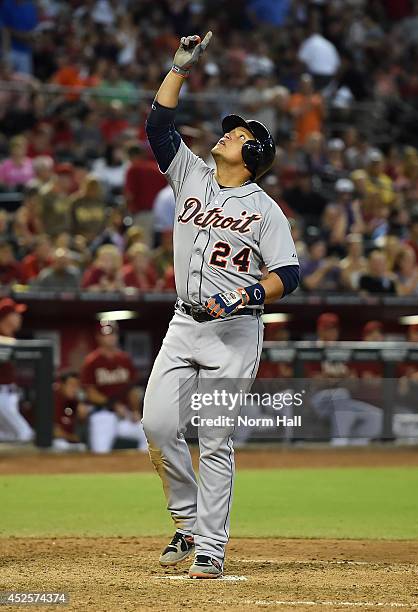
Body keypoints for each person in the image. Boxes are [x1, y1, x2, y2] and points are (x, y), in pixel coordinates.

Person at [142, 33, 299, 579]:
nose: (229, 134)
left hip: (235, 333)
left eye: (239, 135)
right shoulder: (190, 174)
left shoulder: (265, 210)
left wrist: (247, 293)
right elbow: (158, 128)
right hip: (184, 321)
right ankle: (185, 524)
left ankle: (209, 545)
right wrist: (178, 68)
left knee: (213, 437)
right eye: (231, 130)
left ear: (253, 156)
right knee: (158, 425)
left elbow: (288, 275)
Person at [80, 321, 148, 454]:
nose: (110, 338)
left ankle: (139, 469)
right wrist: (113, 405)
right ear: (98, 338)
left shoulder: (124, 359)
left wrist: (135, 411)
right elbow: (90, 392)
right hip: (102, 414)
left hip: (125, 415)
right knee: (101, 452)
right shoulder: (92, 361)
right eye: (106, 335)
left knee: (150, 436)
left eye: (113, 334)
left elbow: (132, 389)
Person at [0, 298, 33, 442]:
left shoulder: (10, 337)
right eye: (16, 314)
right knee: (24, 434)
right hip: (1, 395)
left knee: (8, 436)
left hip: (10, 394)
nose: (20, 317)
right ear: (7, 318)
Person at [53, 371, 89, 451]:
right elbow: (54, 432)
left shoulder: (75, 401)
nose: (75, 389)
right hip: (48, 443)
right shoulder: (54, 398)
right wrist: (72, 438)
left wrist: (82, 418)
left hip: (69, 442)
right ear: (62, 385)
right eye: (71, 385)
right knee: (60, 444)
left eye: (77, 386)